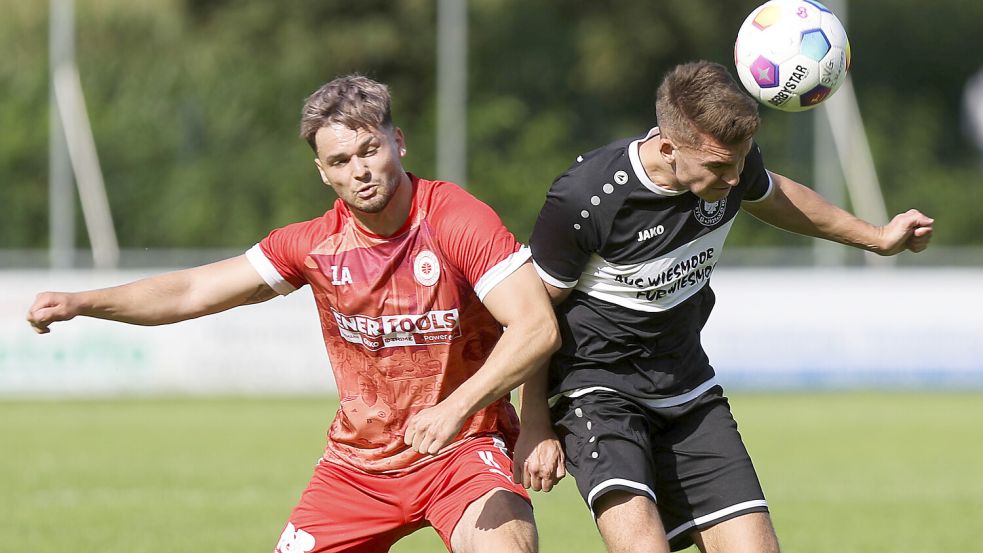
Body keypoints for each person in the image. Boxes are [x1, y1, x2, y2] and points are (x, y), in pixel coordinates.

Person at [26, 75, 560, 553]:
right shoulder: (313, 245)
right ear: (323, 173)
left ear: (398, 142)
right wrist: (85, 303)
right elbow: (192, 290)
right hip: (358, 469)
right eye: (341, 162)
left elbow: (535, 326)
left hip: (462, 450)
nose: (361, 171)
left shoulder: (454, 219)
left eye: (370, 150)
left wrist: (455, 409)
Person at [512, 60, 933, 553]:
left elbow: (777, 196)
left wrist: (879, 238)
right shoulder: (586, 198)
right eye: (718, 166)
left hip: (686, 383)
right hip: (597, 389)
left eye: (742, 161)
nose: (735, 179)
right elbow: (532, 312)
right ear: (669, 148)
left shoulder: (729, 164)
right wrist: (534, 422)